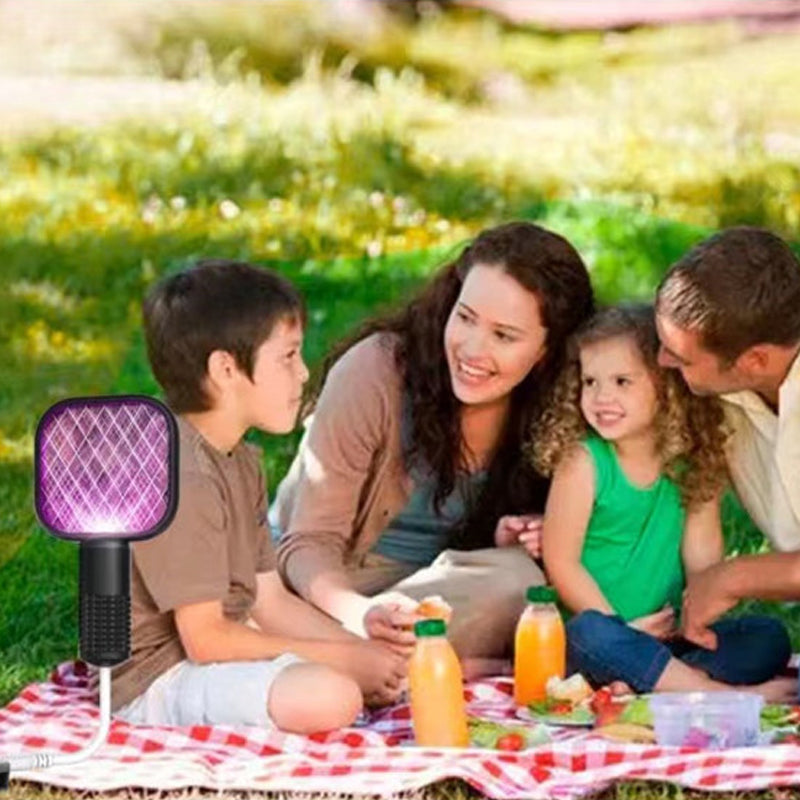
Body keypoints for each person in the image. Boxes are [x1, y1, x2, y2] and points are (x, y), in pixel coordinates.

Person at [272, 221, 595, 674]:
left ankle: (362, 664)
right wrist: (359, 614)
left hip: (437, 598)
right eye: (465, 318)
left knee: (520, 581)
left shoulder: (566, 409)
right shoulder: (376, 370)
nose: (472, 350)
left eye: (504, 335)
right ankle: (407, 663)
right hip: (327, 585)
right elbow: (308, 541)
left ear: (548, 351)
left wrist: (535, 533)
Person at [112, 259, 408, 732]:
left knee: (353, 674)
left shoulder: (240, 461)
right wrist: (344, 662)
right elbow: (205, 640)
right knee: (332, 694)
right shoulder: (182, 477)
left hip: (220, 651)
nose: (304, 373)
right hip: (158, 679)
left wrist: (358, 651)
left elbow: (269, 602)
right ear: (226, 369)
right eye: (288, 357)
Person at [531, 304, 791, 698]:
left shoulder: (692, 461)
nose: (601, 397)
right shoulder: (583, 462)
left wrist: (695, 621)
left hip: (666, 638)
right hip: (600, 636)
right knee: (589, 634)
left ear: (667, 387)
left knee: (767, 636)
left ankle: (662, 680)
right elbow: (561, 563)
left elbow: (703, 563)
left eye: (622, 381)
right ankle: (712, 693)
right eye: (589, 381)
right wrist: (621, 628)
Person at [655, 226, 800, 553]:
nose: (661, 360)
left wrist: (733, 576)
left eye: (681, 358)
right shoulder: (719, 390)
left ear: (756, 360)